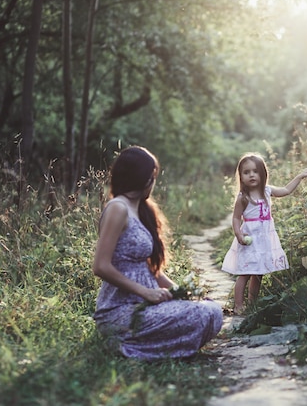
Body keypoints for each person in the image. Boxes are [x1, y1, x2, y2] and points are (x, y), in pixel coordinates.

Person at [92, 146, 222, 360]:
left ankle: (151, 346)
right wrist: (146, 292)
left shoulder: (141, 209)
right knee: (201, 314)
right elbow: (101, 266)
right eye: (153, 177)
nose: (154, 183)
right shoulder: (118, 208)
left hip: (149, 304)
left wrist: (181, 291)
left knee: (211, 310)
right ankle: (126, 345)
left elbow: (150, 270)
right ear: (142, 178)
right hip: (121, 311)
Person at [221, 153, 307, 314]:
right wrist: (239, 234)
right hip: (250, 239)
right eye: (246, 172)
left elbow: (286, 190)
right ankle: (238, 305)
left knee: (259, 274)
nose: (251, 175)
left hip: (263, 241)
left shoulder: (267, 191)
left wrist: (299, 176)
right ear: (241, 176)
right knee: (245, 273)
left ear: (263, 174)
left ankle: (252, 304)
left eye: (255, 171)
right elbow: (236, 218)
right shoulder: (243, 197)